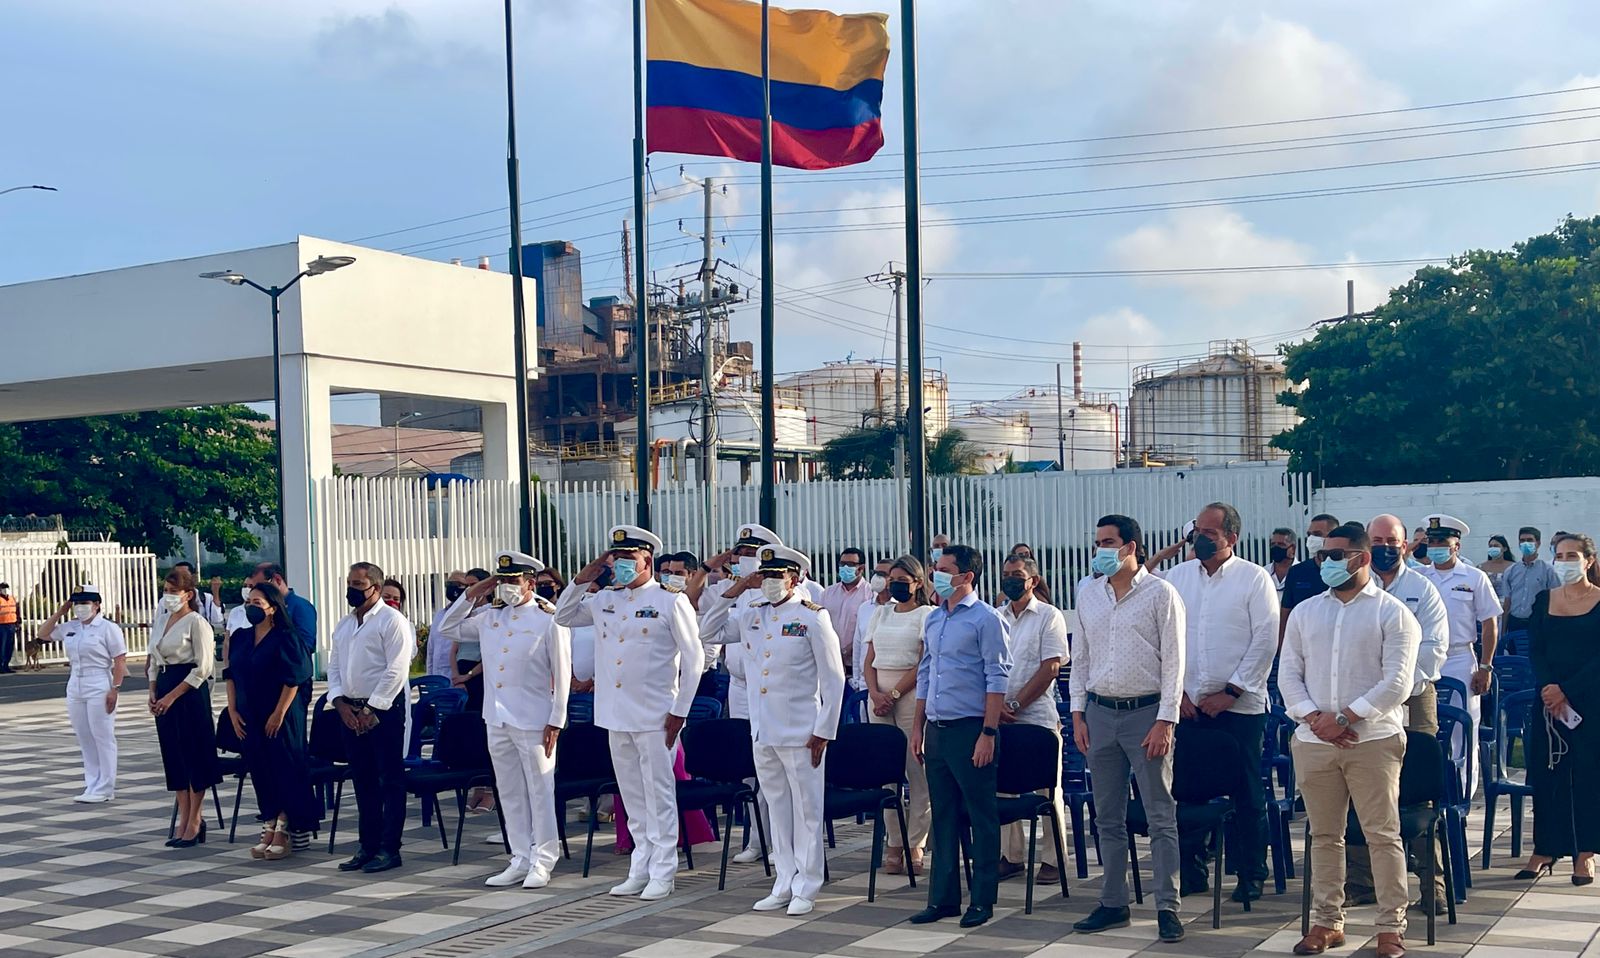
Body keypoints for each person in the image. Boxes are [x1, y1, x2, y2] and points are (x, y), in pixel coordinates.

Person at [1280, 522, 1418, 958]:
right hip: (1315, 740)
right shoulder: (1306, 612)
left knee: (1382, 835)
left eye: (1336, 556)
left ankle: (1391, 927)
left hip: (1372, 739)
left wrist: (1345, 718)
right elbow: (1288, 674)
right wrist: (1315, 718)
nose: (1327, 563)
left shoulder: (1392, 612)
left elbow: (1397, 682)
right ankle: (1327, 921)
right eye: (1323, 556)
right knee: (1324, 835)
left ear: (1362, 558)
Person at [556, 525, 702, 901]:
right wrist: (584, 576)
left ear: (646, 560)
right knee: (632, 796)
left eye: (628, 558)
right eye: (616, 558)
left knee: (659, 794)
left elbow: (694, 658)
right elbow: (563, 616)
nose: (620, 564)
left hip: (656, 715)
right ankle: (640, 865)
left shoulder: (670, 600)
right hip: (615, 713)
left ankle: (663, 871)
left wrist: (680, 711)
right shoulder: (606, 598)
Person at [1070, 516, 1186, 944]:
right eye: (1097, 542)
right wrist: (1078, 714)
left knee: (1159, 814)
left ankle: (1167, 906)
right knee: (1107, 816)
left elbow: (1175, 661)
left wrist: (1165, 720)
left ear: (1131, 547)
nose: (1100, 550)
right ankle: (1113, 901)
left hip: (1147, 713)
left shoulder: (1161, 593)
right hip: (1100, 712)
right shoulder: (1088, 593)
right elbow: (1080, 657)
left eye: (1108, 542)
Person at [1165, 502, 1279, 903]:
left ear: (1231, 537)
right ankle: (1192, 870)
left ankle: (1251, 873)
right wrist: (1177, 693)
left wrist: (1231, 692)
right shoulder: (1178, 577)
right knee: (1186, 790)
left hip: (1239, 708)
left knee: (1245, 792)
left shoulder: (1254, 579)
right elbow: (1165, 639)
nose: (1199, 538)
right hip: (1188, 706)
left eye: (1209, 533)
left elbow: (1265, 639)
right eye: (1197, 530)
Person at [448, 551, 571, 889]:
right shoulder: (491, 616)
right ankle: (519, 857)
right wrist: (476, 591)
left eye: (512, 581)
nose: (506, 587)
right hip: (497, 716)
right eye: (501, 580)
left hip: (535, 719)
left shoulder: (548, 618)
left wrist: (557, 720)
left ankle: (543, 859)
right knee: (509, 791)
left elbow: (563, 673)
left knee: (539, 791)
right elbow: (448, 627)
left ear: (530, 582)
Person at [1348, 514, 1450, 910]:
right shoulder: (1354, 587)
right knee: (1360, 785)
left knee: (1418, 791)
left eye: (1392, 541)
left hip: (1414, 698)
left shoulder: (1423, 589)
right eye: (1377, 540)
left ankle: (1431, 884)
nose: (1385, 547)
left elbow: (1433, 650)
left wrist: (1393, 688)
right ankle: (1361, 881)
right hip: (1362, 701)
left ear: (1405, 546)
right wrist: (1374, 693)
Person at [909, 544, 1011, 929]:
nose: (935, 575)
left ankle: (982, 899)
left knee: (981, 816)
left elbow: (997, 677)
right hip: (937, 728)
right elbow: (925, 673)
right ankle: (943, 899)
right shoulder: (935, 617)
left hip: (971, 728)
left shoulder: (986, 619)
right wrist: (917, 727)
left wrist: (988, 732)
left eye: (944, 569)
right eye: (935, 568)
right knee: (944, 815)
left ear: (966, 576)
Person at [740, 545, 845, 916]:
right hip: (764, 730)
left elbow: (834, 679)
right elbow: (709, 628)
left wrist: (824, 730)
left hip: (802, 731)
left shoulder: (812, 617)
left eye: (776, 576)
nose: (769, 582)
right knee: (777, 809)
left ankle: (807, 884)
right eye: (765, 575)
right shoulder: (754, 614)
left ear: (794, 578)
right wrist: (740, 587)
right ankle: (783, 880)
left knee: (807, 812)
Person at [697, 523, 787, 864]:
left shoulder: (799, 592)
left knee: (778, 771)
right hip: (740, 688)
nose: (744, 559)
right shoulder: (735, 590)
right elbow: (707, 626)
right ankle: (757, 838)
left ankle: (781, 842)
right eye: (741, 553)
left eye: (751, 553)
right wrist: (732, 587)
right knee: (750, 769)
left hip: (778, 693)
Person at [1518, 532, 1600, 886]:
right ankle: (1546, 848)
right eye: (1560, 556)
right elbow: (1536, 649)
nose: (1565, 562)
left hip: (1589, 699)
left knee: (1587, 775)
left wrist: (1568, 689)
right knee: (1547, 771)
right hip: (1549, 701)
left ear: (1588, 561)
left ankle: (1586, 852)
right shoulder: (1544, 600)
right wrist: (1551, 688)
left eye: (1572, 556)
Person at [328, 562, 416, 875]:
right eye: (349, 583)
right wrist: (339, 702)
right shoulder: (345, 624)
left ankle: (389, 848)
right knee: (363, 778)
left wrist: (372, 708)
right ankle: (368, 845)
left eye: (358, 584)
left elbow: (397, 669)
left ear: (375, 588)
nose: (351, 590)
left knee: (389, 779)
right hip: (350, 709)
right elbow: (335, 667)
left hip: (383, 710)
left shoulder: (392, 621)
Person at [228, 582, 321, 860]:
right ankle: (269, 819)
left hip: (281, 714)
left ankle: (284, 826)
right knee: (260, 768)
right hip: (249, 713)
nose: (251, 607)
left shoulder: (286, 637)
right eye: (249, 602)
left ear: (272, 608)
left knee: (285, 767)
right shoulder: (241, 637)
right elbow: (231, 674)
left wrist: (279, 713)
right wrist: (232, 710)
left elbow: (295, 677)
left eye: (257, 603)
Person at [994, 554, 1068, 885]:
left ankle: (1053, 859)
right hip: (1001, 718)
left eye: (1017, 574)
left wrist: (1015, 702)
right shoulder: (996, 617)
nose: (1010, 579)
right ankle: (1011, 856)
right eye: (1006, 574)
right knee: (1004, 788)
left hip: (1037, 717)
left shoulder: (1049, 616)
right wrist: (997, 707)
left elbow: (1051, 667)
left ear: (1033, 581)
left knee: (1048, 790)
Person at [861, 555, 936, 875]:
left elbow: (923, 662)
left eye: (903, 582)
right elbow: (869, 659)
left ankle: (915, 842)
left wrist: (893, 694)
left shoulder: (926, 615)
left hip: (909, 696)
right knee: (886, 774)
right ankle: (894, 841)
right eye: (892, 581)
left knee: (917, 772)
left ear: (917, 583)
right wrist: (875, 693)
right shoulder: (881, 612)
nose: (895, 587)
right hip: (878, 695)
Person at [1419, 513, 1501, 798]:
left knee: (1463, 730)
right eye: (1432, 541)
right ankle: (1430, 794)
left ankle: (1462, 796)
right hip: (1424, 658)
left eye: (1442, 541)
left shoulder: (1474, 577)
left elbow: (1490, 623)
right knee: (1424, 728)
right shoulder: (1419, 577)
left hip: (1459, 658)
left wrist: (1486, 666)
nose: (1436, 547)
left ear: (1457, 545)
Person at [148, 567, 220, 847]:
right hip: (165, 683)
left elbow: (203, 668)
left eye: (173, 592)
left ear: (188, 594)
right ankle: (183, 816)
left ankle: (195, 819)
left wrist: (172, 696)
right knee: (174, 754)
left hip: (188, 691)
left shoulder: (196, 622)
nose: (168, 596)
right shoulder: (161, 620)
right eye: (165, 591)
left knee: (193, 754)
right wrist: (153, 691)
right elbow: (154, 659)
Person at [40, 585, 127, 802]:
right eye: (77, 603)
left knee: (102, 735)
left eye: (85, 603)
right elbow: (42, 634)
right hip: (75, 683)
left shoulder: (108, 628)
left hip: (99, 682)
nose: (80, 607)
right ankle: (92, 784)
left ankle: (106, 787)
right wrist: (60, 611)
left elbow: (119, 660)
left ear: (96, 605)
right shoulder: (72, 626)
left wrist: (115, 688)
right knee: (84, 736)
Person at [1280, 514, 1340, 640]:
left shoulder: (1343, 571)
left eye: (1317, 534)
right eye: (1309, 534)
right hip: (1303, 641)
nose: (1312, 539)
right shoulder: (1296, 572)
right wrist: (1282, 647)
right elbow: (1286, 613)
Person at [820, 547, 874, 681]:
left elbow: (870, 630)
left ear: (861, 568)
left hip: (857, 665)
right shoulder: (828, 593)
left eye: (850, 564)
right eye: (842, 564)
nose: (845, 568)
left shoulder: (870, 594)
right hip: (829, 661)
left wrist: (846, 651)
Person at [1503, 526, 1560, 640]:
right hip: (1515, 622)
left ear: (1538, 543)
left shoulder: (1548, 570)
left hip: (1538, 622)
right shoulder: (1511, 570)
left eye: (1529, 540)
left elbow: (1556, 599)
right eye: (1522, 540)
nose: (1525, 543)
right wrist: (1503, 631)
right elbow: (1507, 602)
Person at [850, 556, 894, 692]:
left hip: (891, 682)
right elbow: (858, 645)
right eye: (876, 573)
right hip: (865, 684)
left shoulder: (900, 608)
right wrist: (856, 679)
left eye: (883, 574)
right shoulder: (864, 608)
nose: (877, 577)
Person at [427, 571, 472, 679]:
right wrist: (430, 676)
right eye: (449, 584)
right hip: (437, 678)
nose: (452, 587)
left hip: (458, 677)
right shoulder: (440, 615)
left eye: (458, 584)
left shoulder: (469, 614)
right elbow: (431, 648)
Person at [172, 561, 226, 631]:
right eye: (176, 576)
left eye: (184, 575)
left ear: (193, 577)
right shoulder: (167, 600)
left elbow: (217, 619)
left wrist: (215, 592)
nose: (180, 579)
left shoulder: (206, 598)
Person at [1267, 528, 1297, 600]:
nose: (1276, 547)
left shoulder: (1303, 572)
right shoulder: (1264, 573)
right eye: (1273, 544)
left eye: (1281, 544)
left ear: (1293, 548)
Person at [0, 582, 18, 673]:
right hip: (1, 625)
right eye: (3, 588)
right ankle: (1, 667)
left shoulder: (12, 599)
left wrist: (18, 622)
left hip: (11, 625)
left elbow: (16, 611)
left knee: (9, 646)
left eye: (6, 587)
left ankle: (6, 665)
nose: (5, 589)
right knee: (1, 647)